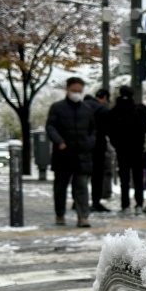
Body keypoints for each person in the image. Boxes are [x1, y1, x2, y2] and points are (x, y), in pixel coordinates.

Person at [46, 77, 95, 228]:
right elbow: (50, 127)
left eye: (79, 91)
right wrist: (59, 141)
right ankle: (60, 214)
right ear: (67, 89)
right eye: (74, 91)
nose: (77, 94)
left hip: (82, 154)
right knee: (60, 187)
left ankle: (83, 217)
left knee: (81, 187)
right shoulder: (57, 108)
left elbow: (93, 130)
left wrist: (90, 143)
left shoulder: (87, 109)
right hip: (63, 154)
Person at [107, 86, 146, 215]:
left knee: (124, 178)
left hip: (122, 150)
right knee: (137, 178)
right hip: (137, 149)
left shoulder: (115, 111)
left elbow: (110, 130)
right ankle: (139, 204)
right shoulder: (139, 110)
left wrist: (117, 144)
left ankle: (125, 205)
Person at [84, 88, 111, 212]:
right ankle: (95, 202)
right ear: (104, 97)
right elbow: (108, 130)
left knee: (82, 174)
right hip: (98, 146)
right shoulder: (103, 110)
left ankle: (79, 201)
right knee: (97, 175)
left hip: (83, 145)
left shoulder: (82, 107)